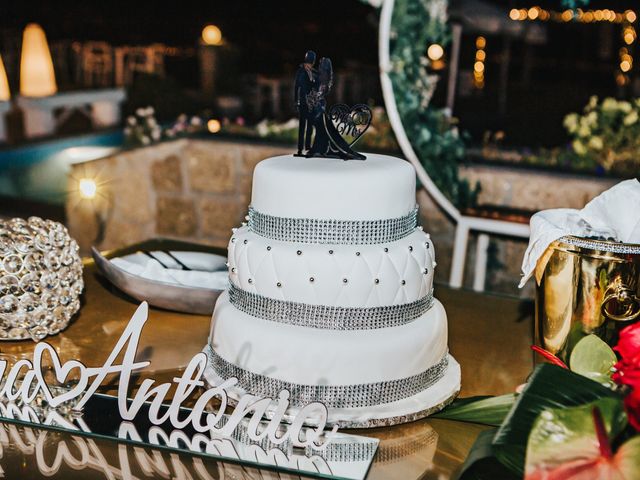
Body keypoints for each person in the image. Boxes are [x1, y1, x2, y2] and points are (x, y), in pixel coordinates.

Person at [306, 57, 366, 160]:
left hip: (319, 109)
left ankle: (326, 149)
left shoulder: (323, 79)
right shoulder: (320, 77)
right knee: (324, 129)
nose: (319, 66)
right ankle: (320, 149)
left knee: (326, 129)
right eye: (320, 65)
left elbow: (321, 91)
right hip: (317, 109)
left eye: (321, 65)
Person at [294, 50, 316, 156]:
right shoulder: (301, 72)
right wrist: (296, 101)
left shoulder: (312, 72)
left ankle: (308, 146)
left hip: (310, 103)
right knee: (302, 126)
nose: (309, 65)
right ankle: (300, 148)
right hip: (303, 102)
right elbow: (297, 88)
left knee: (310, 125)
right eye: (308, 63)